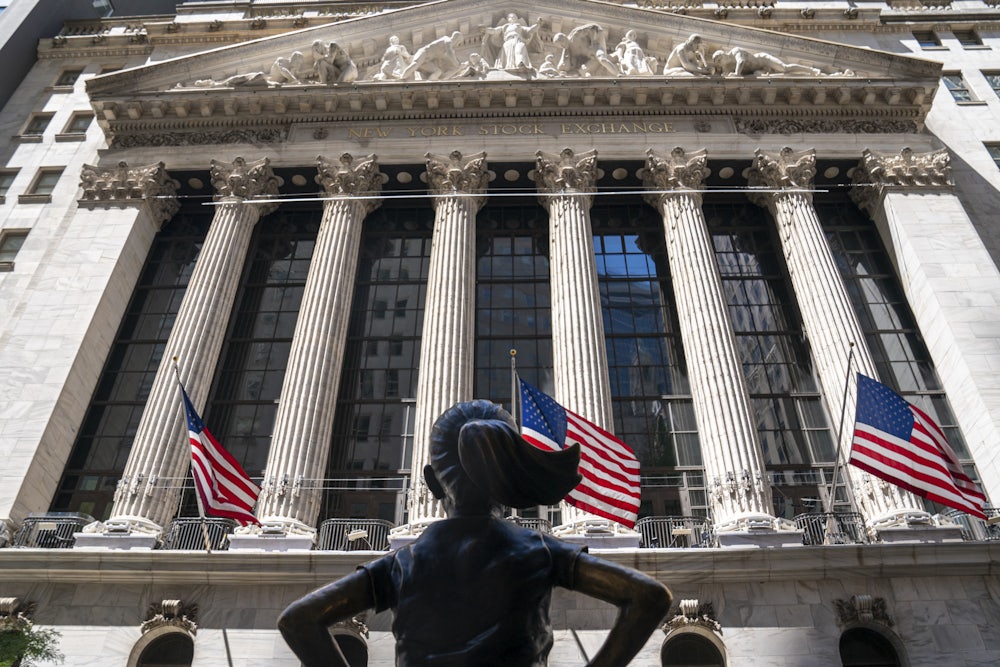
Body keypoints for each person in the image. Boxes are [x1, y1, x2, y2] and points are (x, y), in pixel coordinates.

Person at [278, 400, 672, 667]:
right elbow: (649, 596)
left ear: (433, 483)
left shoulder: (402, 563)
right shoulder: (537, 550)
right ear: (508, 478)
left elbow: (298, 619)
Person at [711, 46, 822, 77]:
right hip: (759, 70)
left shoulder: (735, 51)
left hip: (764, 60)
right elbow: (724, 75)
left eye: (719, 60)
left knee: (784, 68)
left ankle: (811, 70)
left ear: (723, 54)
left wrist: (736, 74)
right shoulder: (728, 65)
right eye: (718, 62)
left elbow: (741, 62)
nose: (720, 63)